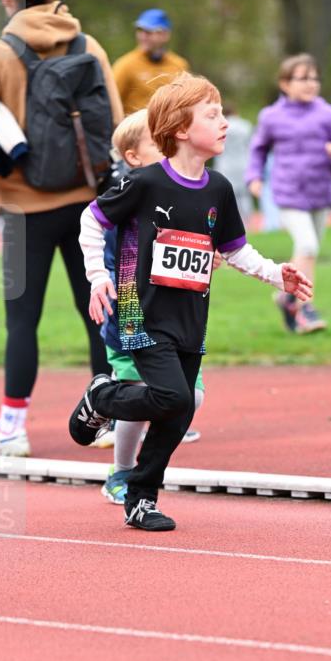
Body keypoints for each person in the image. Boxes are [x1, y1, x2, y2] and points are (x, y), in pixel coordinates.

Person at [68, 72, 312, 531]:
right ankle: (102, 397)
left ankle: (140, 497)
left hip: (189, 315)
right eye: (212, 115)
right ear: (181, 129)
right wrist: (98, 276)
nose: (224, 123)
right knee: (174, 396)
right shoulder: (144, 183)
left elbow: (235, 249)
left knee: (181, 406)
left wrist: (276, 274)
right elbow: (91, 219)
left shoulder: (218, 188)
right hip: (138, 308)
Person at [0, 0, 123, 456]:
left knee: (23, 319)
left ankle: (11, 427)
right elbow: (112, 119)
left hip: (26, 208)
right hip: (90, 202)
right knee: (98, 310)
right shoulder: (89, 46)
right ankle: (109, 415)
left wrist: (0, 169)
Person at [99, 108, 207, 504]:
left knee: (191, 397)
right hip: (132, 316)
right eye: (156, 144)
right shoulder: (129, 193)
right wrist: (103, 281)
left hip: (179, 318)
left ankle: (141, 467)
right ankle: (122, 471)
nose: (168, 150)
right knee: (140, 390)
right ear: (133, 157)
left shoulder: (187, 189)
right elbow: (105, 242)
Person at [245, 53, 331, 334]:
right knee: (307, 246)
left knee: (309, 253)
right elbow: (257, 149)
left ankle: (286, 297)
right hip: (288, 194)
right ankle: (304, 306)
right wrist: (254, 178)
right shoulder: (271, 116)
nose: (311, 84)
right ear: (285, 83)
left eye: (314, 78)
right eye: (302, 78)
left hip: (320, 195)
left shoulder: (327, 114)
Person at [112, 9, 189, 116]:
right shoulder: (125, 64)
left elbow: (186, 104)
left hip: (168, 129)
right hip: (135, 130)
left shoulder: (179, 65)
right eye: (140, 30)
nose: (143, 36)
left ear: (165, 35)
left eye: (149, 32)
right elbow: (111, 103)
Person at [212, 104, 254, 226]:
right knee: (245, 195)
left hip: (225, 164)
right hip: (243, 163)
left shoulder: (220, 126)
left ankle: (233, 224)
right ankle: (248, 223)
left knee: (228, 196)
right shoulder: (245, 125)